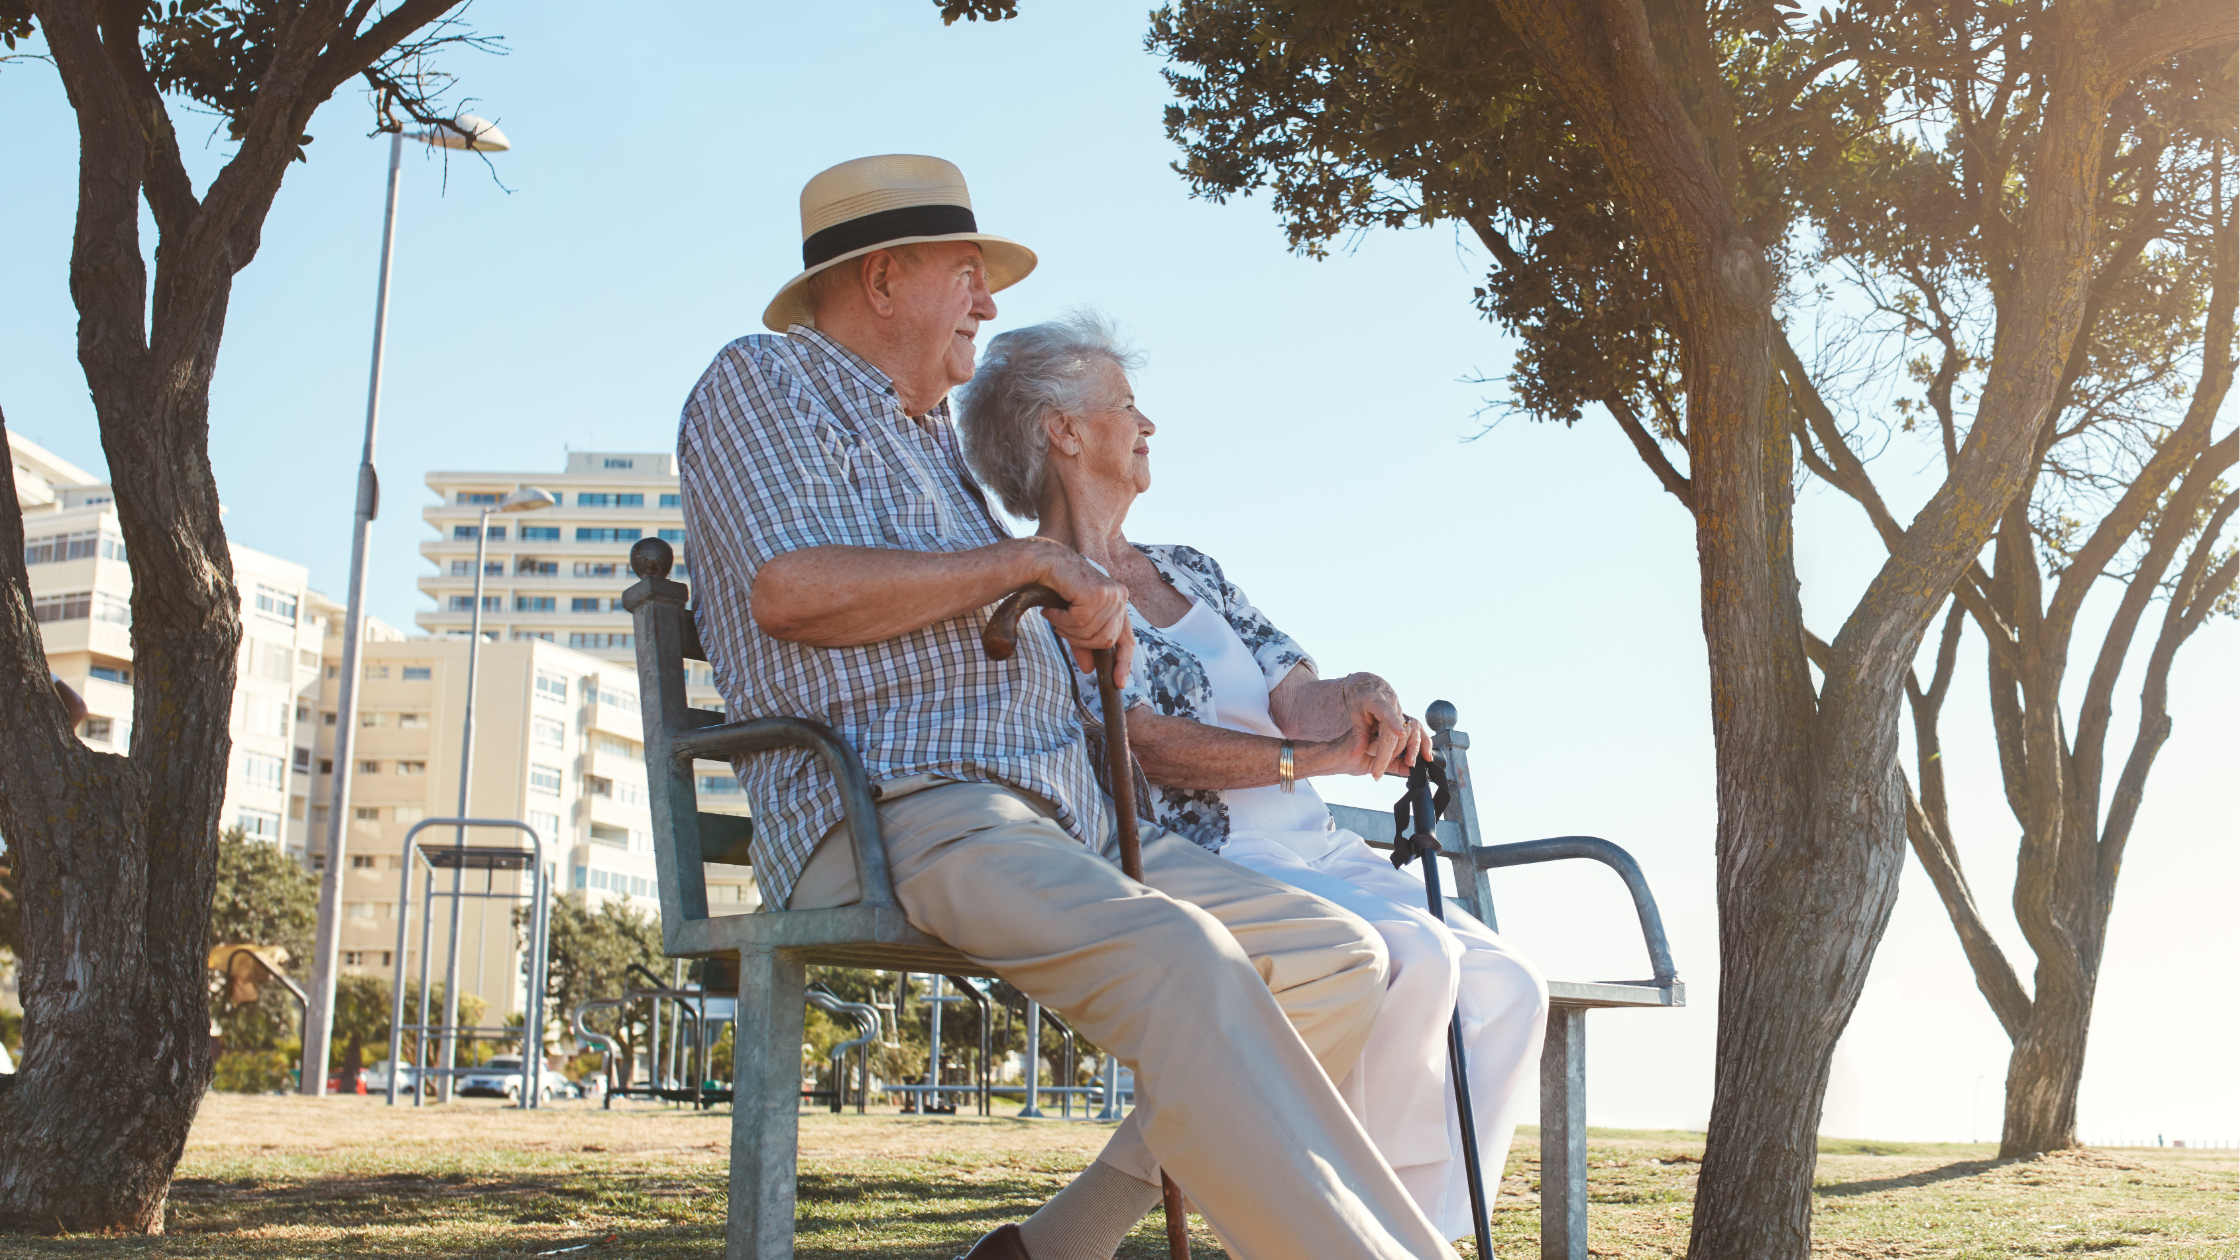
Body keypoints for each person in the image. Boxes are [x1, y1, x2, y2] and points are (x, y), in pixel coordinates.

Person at [677, 154, 1460, 1260]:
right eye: (968, 275)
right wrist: (1027, 564)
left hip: (1063, 815)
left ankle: (1057, 1247)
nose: (989, 305)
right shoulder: (762, 382)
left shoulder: (930, 440)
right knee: (1184, 963)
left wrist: (1065, 607)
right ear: (885, 278)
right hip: (905, 803)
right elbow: (787, 590)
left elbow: (993, 596)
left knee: (1334, 960)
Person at [955, 312, 1552, 1244]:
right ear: (1061, 430)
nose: (1147, 425)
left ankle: (1422, 1233)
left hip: (1314, 845)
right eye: (1126, 405)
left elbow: (1293, 692)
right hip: (1205, 857)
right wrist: (1306, 762)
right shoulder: (1039, 588)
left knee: (1512, 982)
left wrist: (1360, 699)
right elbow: (1136, 740)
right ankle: (1359, 1234)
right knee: (1417, 963)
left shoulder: (1192, 569)